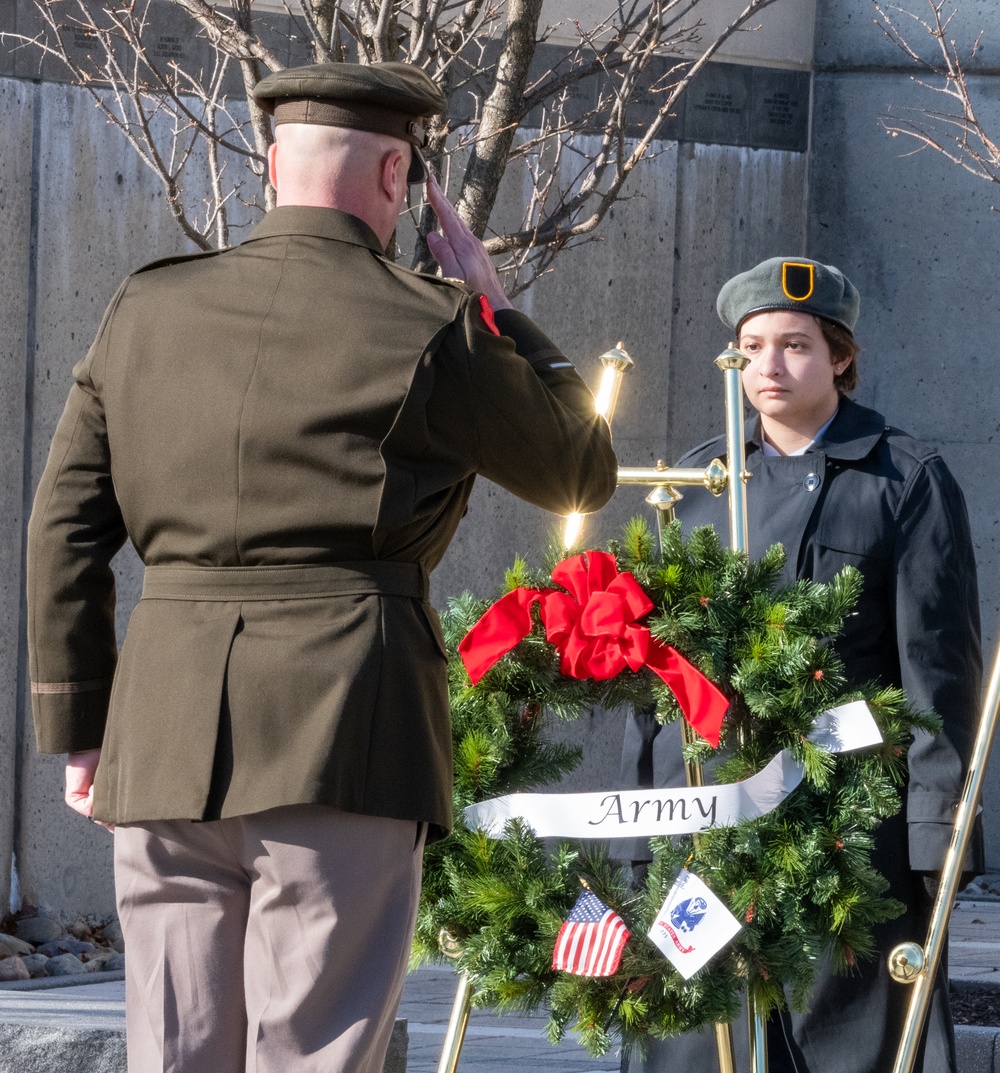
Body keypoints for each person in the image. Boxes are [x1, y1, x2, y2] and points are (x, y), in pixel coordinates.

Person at [26, 60, 617, 1073]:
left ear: (269, 165)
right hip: (346, 723)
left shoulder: (144, 307)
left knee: (173, 1051)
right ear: (397, 174)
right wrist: (497, 311)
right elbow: (580, 470)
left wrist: (81, 726)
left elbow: (64, 530)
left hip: (163, 735)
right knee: (315, 1048)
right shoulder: (430, 323)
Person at [620, 257, 982, 1073]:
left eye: (795, 345)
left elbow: (938, 674)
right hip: (703, 821)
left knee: (848, 1048)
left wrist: (938, 842)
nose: (769, 367)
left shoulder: (904, 479)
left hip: (847, 828)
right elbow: (655, 675)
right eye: (751, 348)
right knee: (691, 1045)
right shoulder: (697, 481)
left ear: (841, 357)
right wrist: (637, 836)